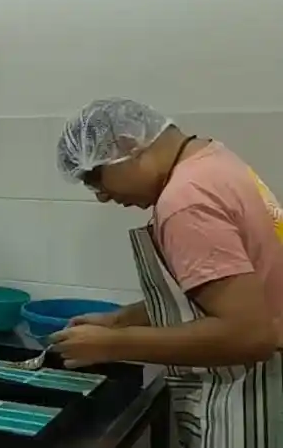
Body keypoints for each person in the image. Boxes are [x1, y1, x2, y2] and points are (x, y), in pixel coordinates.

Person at [51, 98, 283, 447]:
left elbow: (249, 334)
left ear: (129, 146)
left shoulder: (185, 202)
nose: (101, 196)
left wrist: (113, 345)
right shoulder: (214, 162)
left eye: (97, 177)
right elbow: (223, 288)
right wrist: (120, 320)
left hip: (244, 398)